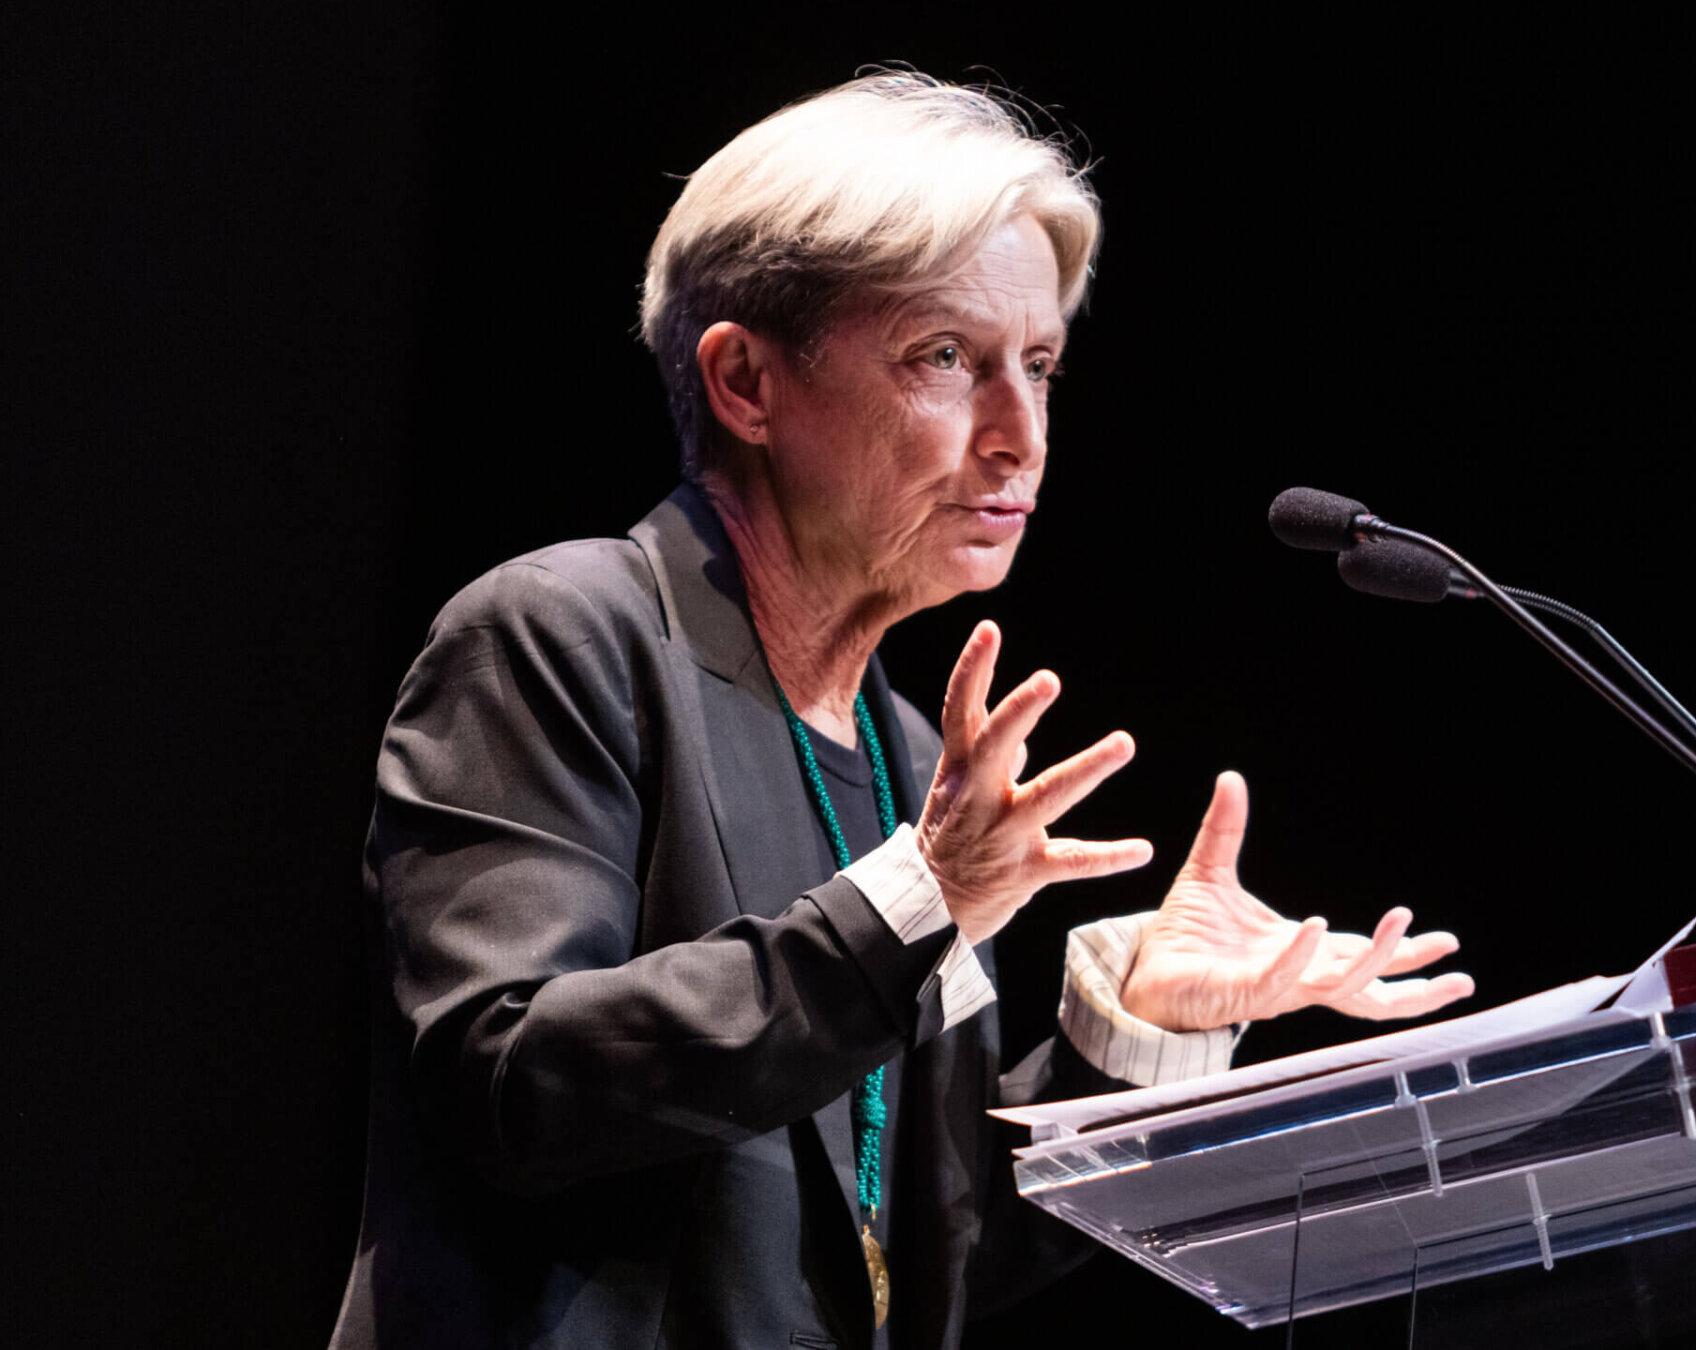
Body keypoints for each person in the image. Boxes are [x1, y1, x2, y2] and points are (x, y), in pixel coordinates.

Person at [326, 73, 1473, 1350]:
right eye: (945, 358)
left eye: (1038, 365)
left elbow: (917, 1252)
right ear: (746, 383)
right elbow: (513, 1086)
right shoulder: (562, 636)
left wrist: (1131, 1030)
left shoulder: (908, 753)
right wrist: (919, 901)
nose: (1019, 434)